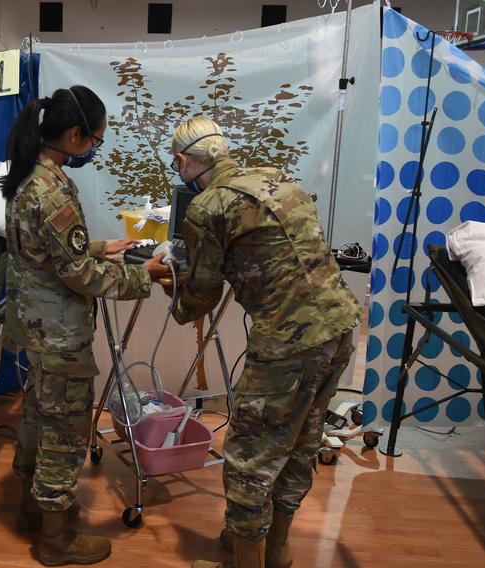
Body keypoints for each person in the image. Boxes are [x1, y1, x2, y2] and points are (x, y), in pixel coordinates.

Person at [166, 118, 361, 568]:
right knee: (301, 442)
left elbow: (201, 295)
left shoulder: (207, 206)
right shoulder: (280, 178)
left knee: (249, 458)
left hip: (288, 345)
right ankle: (276, 552)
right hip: (340, 326)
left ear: (184, 161)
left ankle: (244, 561)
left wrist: (171, 290)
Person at [0, 85, 169, 566]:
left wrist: (102, 245)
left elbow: (42, 253)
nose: (93, 149)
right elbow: (80, 276)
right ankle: (55, 540)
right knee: (65, 430)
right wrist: (146, 274)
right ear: (74, 135)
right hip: (59, 334)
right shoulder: (53, 190)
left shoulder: (27, 176)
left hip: (34, 325)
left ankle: (33, 508)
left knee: (37, 413)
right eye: (94, 141)